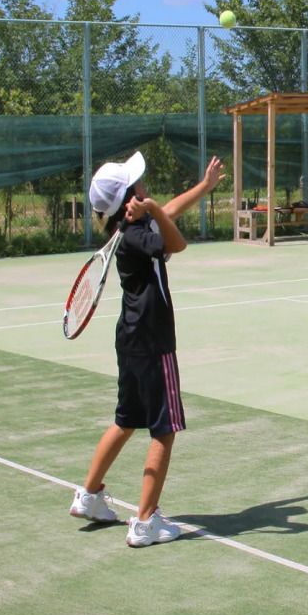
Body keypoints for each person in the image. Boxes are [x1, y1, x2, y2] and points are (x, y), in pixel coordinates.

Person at [69, 151, 223, 547]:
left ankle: (89, 496)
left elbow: (168, 212)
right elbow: (177, 242)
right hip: (154, 340)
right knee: (164, 430)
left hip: (131, 338)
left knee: (125, 420)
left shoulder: (126, 228)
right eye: (138, 184)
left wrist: (204, 188)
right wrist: (153, 207)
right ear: (129, 198)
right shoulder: (137, 235)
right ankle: (145, 522)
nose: (144, 186)